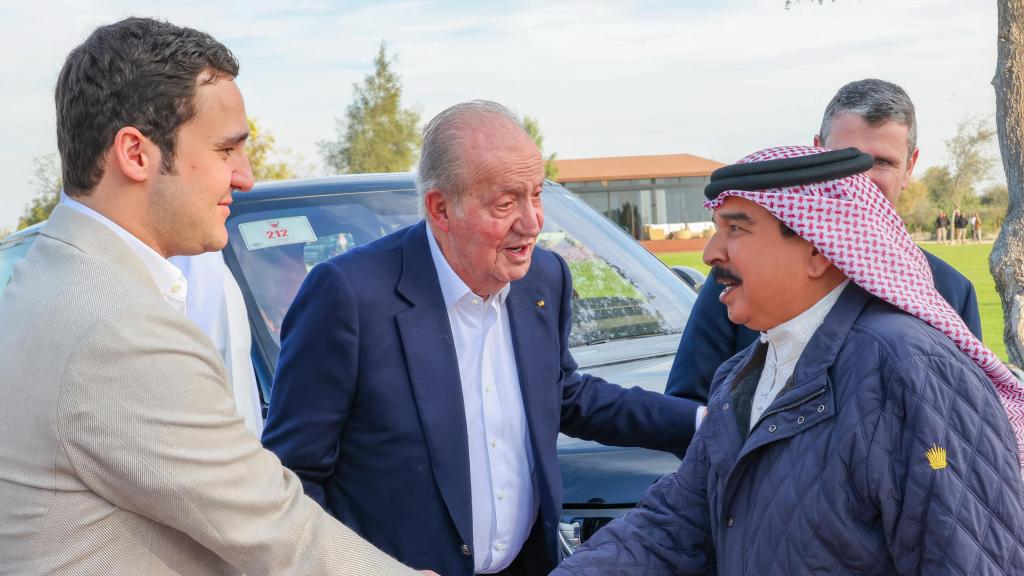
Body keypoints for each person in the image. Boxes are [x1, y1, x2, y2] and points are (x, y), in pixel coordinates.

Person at [0, 18, 422, 575]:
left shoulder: (46, 280)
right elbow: (279, 532)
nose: (245, 176)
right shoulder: (119, 329)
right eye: (227, 150)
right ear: (135, 153)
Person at [262, 100, 701, 576]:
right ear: (440, 208)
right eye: (506, 203)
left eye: (536, 195)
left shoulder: (543, 278)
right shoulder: (349, 296)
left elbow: (562, 394)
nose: (533, 223)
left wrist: (706, 420)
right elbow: (293, 478)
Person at [553, 146, 1024, 575]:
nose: (710, 253)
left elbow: (968, 557)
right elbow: (673, 526)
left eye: (736, 228)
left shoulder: (911, 370)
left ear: (818, 250)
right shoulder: (745, 374)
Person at [666, 79, 981, 404]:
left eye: (882, 162)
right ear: (815, 152)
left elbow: (961, 421)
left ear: (910, 166)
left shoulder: (948, 290)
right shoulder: (741, 275)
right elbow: (689, 404)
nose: (862, 178)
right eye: (844, 159)